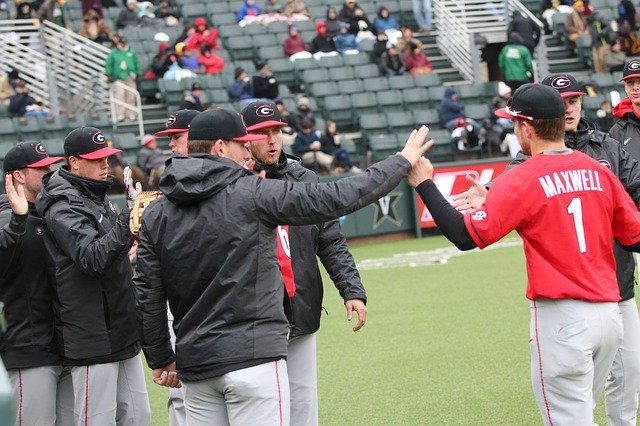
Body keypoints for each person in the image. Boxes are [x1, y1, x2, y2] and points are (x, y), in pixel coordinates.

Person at [134, 108, 432, 425]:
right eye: (242, 143)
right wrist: (400, 163)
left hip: (196, 368)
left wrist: (161, 358)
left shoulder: (156, 212)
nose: (248, 149)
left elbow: (148, 295)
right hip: (254, 358)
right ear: (220, 148)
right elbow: (335, 198)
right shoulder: (252, 192)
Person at [410, 83, 640, 425]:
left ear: (526, 128)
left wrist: (423, 183)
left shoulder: (523, 177)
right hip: (611, 316)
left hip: (564, 320)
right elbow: (634, 237)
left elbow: (464, 235)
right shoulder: (598, 171)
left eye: (515, 123)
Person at [241, 101, 365, 425]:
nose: (272, 140)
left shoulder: (303, 177)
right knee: (264, 409)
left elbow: (330, 240)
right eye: (262, 133)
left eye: (276, 131)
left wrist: (352, 290)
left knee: (303, 406)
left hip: (301, 308)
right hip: (254, 317)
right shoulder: (234, 183)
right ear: (244, 138)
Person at [36, 126, 151, 425]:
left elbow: (107, 250)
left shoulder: (94, 193)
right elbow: (92, 259)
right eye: (97, 159)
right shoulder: (62, 202)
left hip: (120, 326)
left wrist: (127, 240)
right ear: (74, 162)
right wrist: (129, 215)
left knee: (139, 417)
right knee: (96, 420)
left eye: (107, 158)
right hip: (91, 333)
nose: (105, 165)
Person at [0, 143, 72, 426]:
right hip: (27, 351)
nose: (49, 171)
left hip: (61, 346)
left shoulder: (49, 212)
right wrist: (18, 221)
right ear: (18, 175)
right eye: (40, 168)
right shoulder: (6, 217)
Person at [105, 35, 141, 122]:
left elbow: (136, 63)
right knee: (119, 95)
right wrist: (109, 74)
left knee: (131, 95)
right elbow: (108, 64)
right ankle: (120, 114)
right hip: (118, 76)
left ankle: (130, 113)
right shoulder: (113, 52)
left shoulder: (131, 52)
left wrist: (139, 73)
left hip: (130, 76)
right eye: (122, 43)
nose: (123, 45)